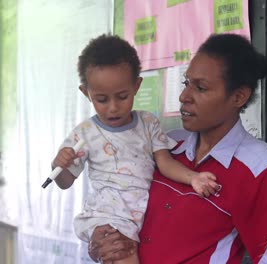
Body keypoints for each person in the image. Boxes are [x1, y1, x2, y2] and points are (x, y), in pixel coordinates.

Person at [88, 33, 267, 264]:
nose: (184, 96)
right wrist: (100, 241)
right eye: (186, 83)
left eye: (200, 88)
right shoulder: (165, 146)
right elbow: (116, 202)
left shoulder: (257, 167)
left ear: (238, 97)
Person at [51, 34, 220, 264]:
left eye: (122, 96)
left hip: (136, 219)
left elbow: (165, 163)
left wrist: (193, 178)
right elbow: (64, 182)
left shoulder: (148, 123)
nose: (113, 108)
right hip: (106, 217)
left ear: (136, 86)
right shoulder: (84, 134)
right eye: (101, 99)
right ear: (85, 93)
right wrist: (59, 166)